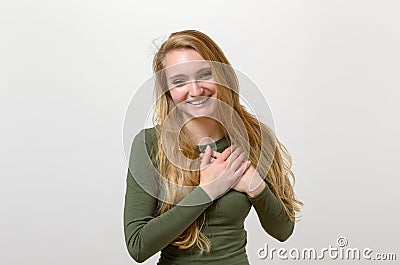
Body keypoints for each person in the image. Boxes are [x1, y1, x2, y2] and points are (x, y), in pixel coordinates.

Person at [123, 29, 303, 265]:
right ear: (168, 90)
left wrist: (257, 188)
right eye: (179, 81)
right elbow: (138, 246)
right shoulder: (149, 144)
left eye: (205, 74)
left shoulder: (254, 137)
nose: (196, 90)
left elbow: (283, 231)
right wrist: (208, 190)